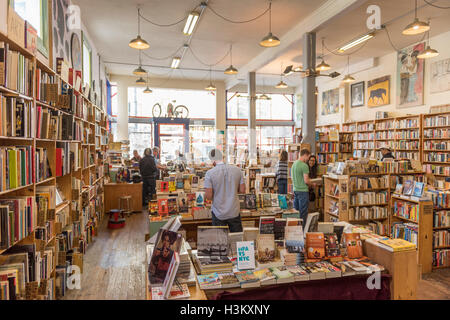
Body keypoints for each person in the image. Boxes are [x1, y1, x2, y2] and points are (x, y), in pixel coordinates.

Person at [204, 148, 245, 232]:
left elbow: (208, 196)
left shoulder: (210, 173)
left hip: (218, 212)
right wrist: (231, 190)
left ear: (213, 160)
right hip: (234, 211)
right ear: (222, 157)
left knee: (220, 242)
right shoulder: (237, 170)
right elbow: (242, 190)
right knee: (236, 239)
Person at [291, 149, 316, 228]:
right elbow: (306, 180)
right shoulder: (304, 165)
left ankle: (296, 231)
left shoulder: (294, 164)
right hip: (303, 191)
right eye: (308, 157)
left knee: (296, 213)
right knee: (303, 213)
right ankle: (303, 231)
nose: (308, 159)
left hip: (295, 190)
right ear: (305, 155)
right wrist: (312, 184)